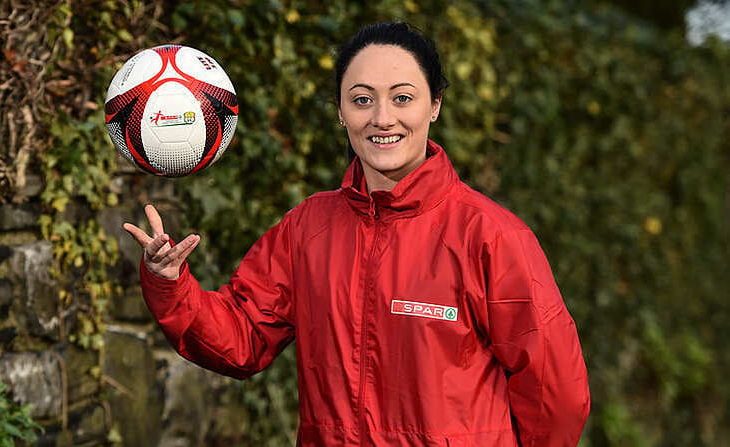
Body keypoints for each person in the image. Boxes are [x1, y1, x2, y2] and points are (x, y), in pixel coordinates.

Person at [124, 22, 590, 447]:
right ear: (342, 113)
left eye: (403, 98)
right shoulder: (309, 229)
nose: (382, 118)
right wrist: (169, 282)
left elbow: (556, 395)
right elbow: (243, 337)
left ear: (435, 105)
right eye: (362, 99)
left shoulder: (491, 236)